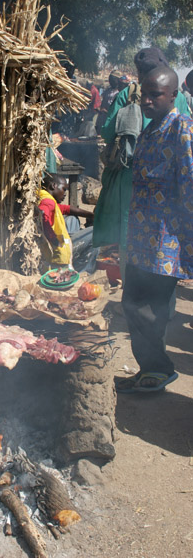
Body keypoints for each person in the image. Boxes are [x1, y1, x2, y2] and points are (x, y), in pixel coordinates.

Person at [116, 66, 193, 393]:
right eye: (143, 93)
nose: (146, 100)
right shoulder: (150, 128)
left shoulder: (183, 130)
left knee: (149, 310)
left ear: (173, 95)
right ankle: (151, 367)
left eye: (155, 95)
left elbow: (191, 186)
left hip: (165, 243)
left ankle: (159, 371)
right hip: (139, 239)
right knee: (132, 302)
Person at [93, 47, 191, 278]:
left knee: (132, 231)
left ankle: (132, 286)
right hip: (171, 184)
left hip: (132, 175)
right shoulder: (178, 98)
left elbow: (107, 131)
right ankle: (155, 299)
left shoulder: (128, 93)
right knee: (167, 238)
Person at [38, 173, 94, 269]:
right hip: (57, 249)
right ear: (53, 186)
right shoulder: (48, 202)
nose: (65, 194)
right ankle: (84, 269)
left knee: (73, 218)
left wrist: (92, 215)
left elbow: (67, 209)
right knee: (94, 232)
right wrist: (54, 240)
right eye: (64, 189)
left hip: (55, 241)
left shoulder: (43, 197)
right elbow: (43, 216)